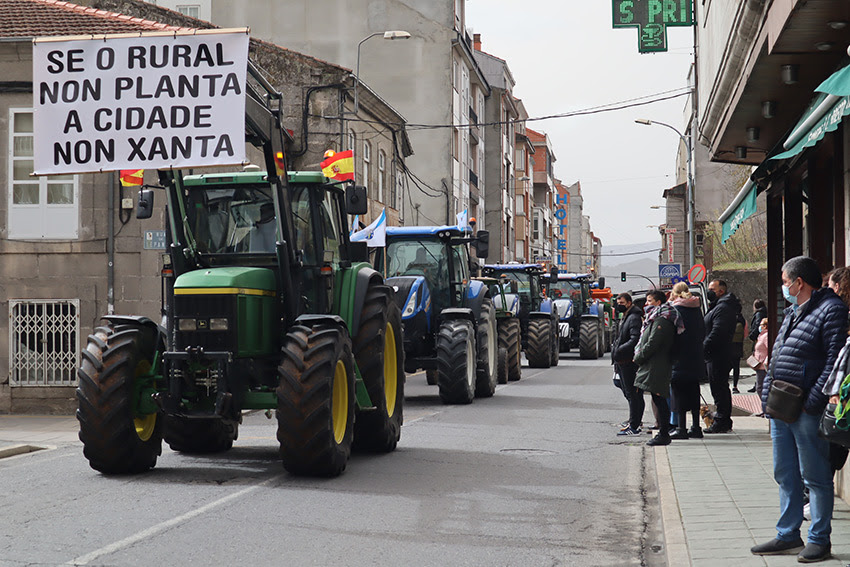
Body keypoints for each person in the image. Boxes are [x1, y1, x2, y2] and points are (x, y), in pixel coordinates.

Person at [751, 256, 848, 563]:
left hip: (805, 407)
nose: (784, 287)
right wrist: (767, 398)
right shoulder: (794, 310)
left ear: (799, 283)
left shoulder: (831, 309)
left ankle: (819, 540)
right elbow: (779, 356)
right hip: (782, 405)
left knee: (815, 476)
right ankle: (788, 535)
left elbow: (834, 359)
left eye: (784, 281)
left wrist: (813, 402)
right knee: (785, 473)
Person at [633, 290, 684, 446]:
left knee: (659, 398)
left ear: (658, 302)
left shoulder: (662, 319)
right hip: (654, 363)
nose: (646, 304)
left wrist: (639, 356)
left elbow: (653, 342)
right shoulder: (657, 317)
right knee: (658, 397)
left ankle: (663, 433)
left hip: (657, 363)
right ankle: (663, 431)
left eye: (649, 301)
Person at [668, 282, 706, 439]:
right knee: (694, 392)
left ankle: (681, 428)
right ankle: (696, 427)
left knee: (679, 394)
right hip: (696, 357)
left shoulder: (675, 310)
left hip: (679, 358)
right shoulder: (697, 310)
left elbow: (672, 335)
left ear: (675, 294)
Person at [703, 279, 741, 433]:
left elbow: (717, 333)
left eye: (712, 288)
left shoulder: (723, 308)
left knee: (720, 389)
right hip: (715, 354)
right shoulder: (718, 306)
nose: (709, 291)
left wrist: (703, 347)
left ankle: (722, 420)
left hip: (718, 355)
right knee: (718, 388)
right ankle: (722, 419)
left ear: (721, 291)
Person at [613, 292, 644, 436]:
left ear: (629, 303)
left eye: (622, 303)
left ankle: (634, 425)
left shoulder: (633, 318)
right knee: (628, 392)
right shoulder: (625, 317)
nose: (619, 305)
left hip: (628, 361)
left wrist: (619, 349)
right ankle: (634, 421)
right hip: (621, 361)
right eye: (618, 303)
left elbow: (634, 339)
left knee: (633, 394)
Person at [747, 299, 768, 392]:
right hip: (761, 360)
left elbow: (756, 327)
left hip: (762, 362)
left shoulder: (759, 314)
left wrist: (752, 335)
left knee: (761, 387)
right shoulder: (765, 312)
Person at [751, 318, 769, 402]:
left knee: (760, 387)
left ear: (765, 326)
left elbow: (770, 349)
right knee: (760, 387)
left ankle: (765, 407)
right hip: (758, 365)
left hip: (762, 366)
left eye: (761, 325)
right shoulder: (761, 335)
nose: (759, 327)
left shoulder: (766, 336)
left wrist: (766, 362)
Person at [731, 310, 746, 393]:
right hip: (738, 346)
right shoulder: (742, 320)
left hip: (729, 346)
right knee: (736, 367)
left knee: (726, 366)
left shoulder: (728, 317)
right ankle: (735, 386)